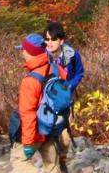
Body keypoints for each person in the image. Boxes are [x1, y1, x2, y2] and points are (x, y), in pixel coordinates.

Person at [10, 35, 64, 173]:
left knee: (18, 160)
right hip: (54, 127)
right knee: (52, 165)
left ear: (30, 52)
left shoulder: (30, 81)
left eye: (23, 49)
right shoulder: (56, 69)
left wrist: (28, 143)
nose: (22, 52)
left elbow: (28, 114)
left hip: (37, 130)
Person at [43, 22, 84, 171]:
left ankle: (62, 159)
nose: (50, 43)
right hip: (47, 103)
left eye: (53, 39)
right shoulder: (42, 57)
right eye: (47, 39)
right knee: (50, 136)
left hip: (66, 101)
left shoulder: (71, 55)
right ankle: (52, 166)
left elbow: (80, 73)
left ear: (61, 41)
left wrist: (69, 86)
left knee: (65, 137)